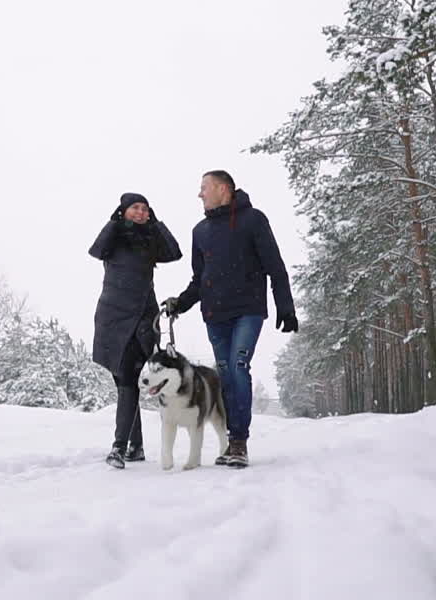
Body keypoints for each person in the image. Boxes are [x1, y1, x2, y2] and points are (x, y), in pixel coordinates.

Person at [162, 170, 297, 468]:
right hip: (215, 313)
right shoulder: (200, 231)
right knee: (224, 374)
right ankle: (231, 442)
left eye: (204, 188)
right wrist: (180, 304)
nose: (200, 194)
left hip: (248, 309)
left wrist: (284, 305)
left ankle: (238, 442)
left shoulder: (253, 220)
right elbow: (200, 279)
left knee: (238, 366)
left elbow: (275, 265)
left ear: (223, 189)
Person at [89, 192, 182, 469]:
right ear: (124, 211)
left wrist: (156, 224)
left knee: (129, 378)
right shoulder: (114, 237)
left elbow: (174, 252)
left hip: (142, 318)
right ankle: (136, 446)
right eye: (135, 208)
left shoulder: (150, 239)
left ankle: (119, 447)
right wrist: (115, 221)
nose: (141, 213)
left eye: (145, 209)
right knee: (123, 380)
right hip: (112, 317)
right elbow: (96, 250)